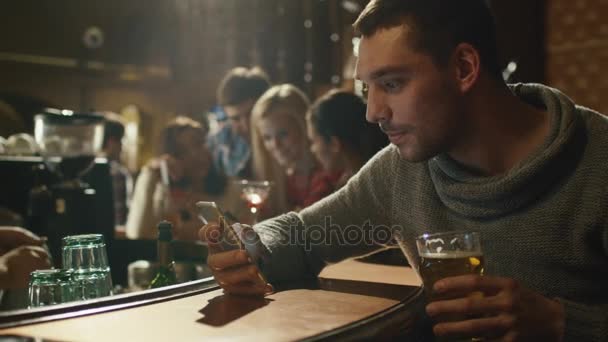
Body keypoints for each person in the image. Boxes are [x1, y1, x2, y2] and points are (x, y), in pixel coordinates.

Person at [200, 0, 608, 341]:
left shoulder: (598, 159)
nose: (374, 112)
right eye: (367, 89)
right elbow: (301, 235)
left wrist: (560, 323)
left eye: (392, 84)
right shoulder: (400, 173)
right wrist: (249, 246)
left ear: (464, 67)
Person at [126, 116, 240, 241]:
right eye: (182, 152)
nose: (196, 155)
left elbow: (242, 236)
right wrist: (149, 174)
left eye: (200, 144)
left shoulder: (231, 190)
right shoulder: (163, 195)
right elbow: (136, 234)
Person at [250, 84, 325, 215]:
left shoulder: (327, 175)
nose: (275, 145)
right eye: (267, 138)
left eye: (283, 134)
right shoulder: (278, 181)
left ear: (304, 128)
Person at [306, 89, 388, 194]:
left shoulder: (367, 187)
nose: (313, 150)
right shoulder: (350, 180)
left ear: (334, 144)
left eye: (314, 142)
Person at [207, 67, 272, 178]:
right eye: (236, 119)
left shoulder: (282, 142)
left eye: (251, 114)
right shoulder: (220, 140)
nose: (246, 126)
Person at [101, 112, 133, 227]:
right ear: (111, 141)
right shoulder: (117, 173)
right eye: (120, 140)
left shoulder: (83, 170)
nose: (122, 146)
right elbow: (121, 220)